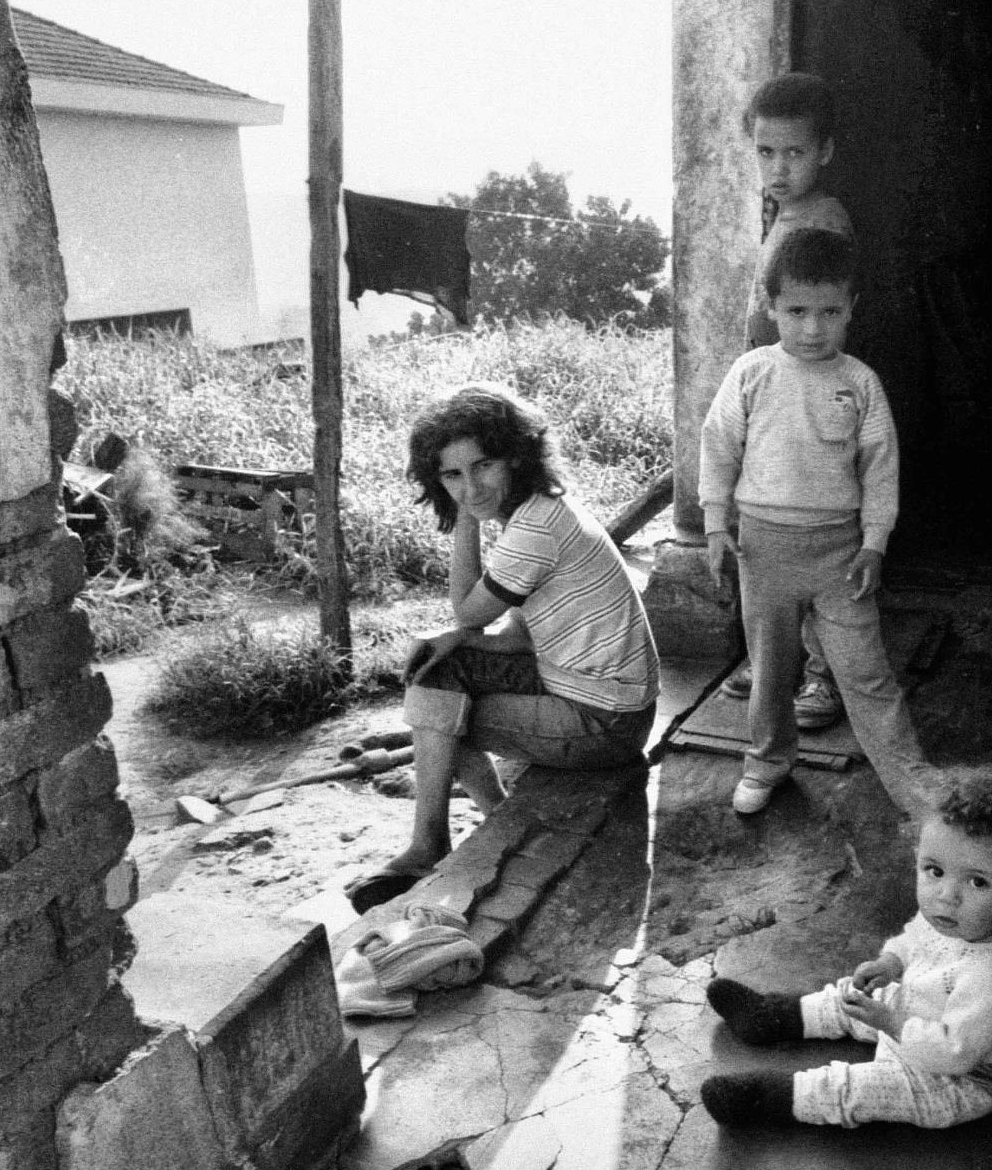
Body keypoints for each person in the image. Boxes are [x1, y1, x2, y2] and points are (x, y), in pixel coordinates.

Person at [347, 384, 659, 914]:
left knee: (439, 708)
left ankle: (434, 843)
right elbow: (514, 637)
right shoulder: (540, 509)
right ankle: (486, 822)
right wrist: (458, 642)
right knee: (437, 670)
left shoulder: (536, 528)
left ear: (517, 457)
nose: (470, 487)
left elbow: (468, 610)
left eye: (483, 466)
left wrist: (463, 520)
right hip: (586, 689)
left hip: (605, 722)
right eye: (451, 476)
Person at [700, 225, 925, 817]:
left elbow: (880, 469)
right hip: (764, 549)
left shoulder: (860, 383)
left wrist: (874, 544)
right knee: (771, 672)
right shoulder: (752, 373)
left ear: (852, 308)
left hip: (840, 556)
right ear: (771, 306)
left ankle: (916, 790)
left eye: (829, 312)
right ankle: (767, 763)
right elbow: (718, 447)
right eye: (796, 310)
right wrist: (716, 525)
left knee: (867, 677)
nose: (812, 327)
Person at [699, 766, 992, 1132]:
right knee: (860, 994)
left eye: (977, 881)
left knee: (870, 1090)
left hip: (964, 1073)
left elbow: (954, 1052)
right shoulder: (964, 918)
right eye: (935, 871)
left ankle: (771, 1098)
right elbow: (917, 938)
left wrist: (889, 1022)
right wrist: (892, 961)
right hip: (923, 1016)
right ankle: (772, 1015)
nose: (947, 896)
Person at [722, 71, 855, 731]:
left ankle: (823, 679)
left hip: (803, 400)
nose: (777, 167)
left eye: (794, 153)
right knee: (770, 533)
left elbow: (812, 318)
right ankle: (777, 661)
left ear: (825, 152)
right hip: (774, 392)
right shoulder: (786, 212)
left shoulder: (820, 220)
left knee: (805, 537)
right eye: (765, 153)